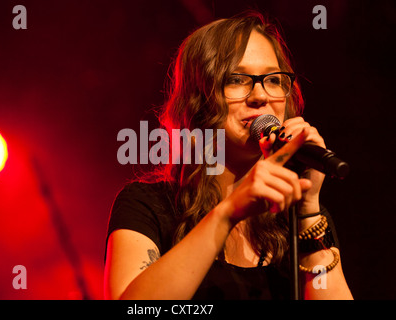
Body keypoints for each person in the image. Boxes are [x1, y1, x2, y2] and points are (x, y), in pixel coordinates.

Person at [104, 10, 353, 300]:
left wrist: (308, 212)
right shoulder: (149, 207)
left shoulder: (300, 218)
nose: (260, 96)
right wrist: (226, 214)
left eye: (273, 80)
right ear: (198, 99)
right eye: (237, 79)